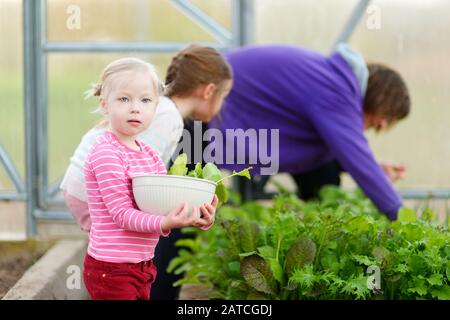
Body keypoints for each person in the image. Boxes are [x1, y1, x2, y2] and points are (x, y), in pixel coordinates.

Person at [60, 46, 233, 299]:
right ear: (209, 91)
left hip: (92, 204)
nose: (136, 107)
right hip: (92, 203)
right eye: (124, 99)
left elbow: (153, 187)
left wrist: (196, 212)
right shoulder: (166, 117)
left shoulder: (154, 132)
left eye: (144, 100)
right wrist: (167, 220)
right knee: (116, 248)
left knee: (127, 248)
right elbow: (135, 192)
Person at [207, 43, 410, 221]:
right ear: (379, 97)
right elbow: (356, 157)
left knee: (324, 171)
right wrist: (401, 218)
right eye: (387, 115)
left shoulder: (332, 82)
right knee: (184, 202)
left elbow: (343, 153)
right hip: (204, 108)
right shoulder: (336, 90)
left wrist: (376, 170)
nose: (383, 125)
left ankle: (319, 235)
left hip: (215, 108)